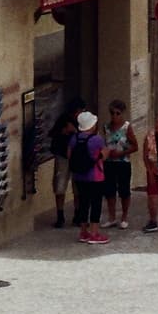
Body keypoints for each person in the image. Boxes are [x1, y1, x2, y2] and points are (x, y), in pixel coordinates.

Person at [69, 111, 109, 244]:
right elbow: (105, 154)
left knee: (83, 203)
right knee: (96, 204)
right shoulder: (97, 139)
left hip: (79, 177)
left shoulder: (74, 138)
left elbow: (69, 154)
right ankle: (94, 233)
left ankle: (83, 232)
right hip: (95, 176)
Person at [100, 100, 139, 228]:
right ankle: (111, 217)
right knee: (109, 191)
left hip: (123, 163)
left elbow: (135, 146)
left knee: (124, 190)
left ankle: (124, 217)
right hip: (109, 163)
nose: (114, 116)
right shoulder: (106, 127)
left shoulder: (127, 127)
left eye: (117, 113)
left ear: (122, 113)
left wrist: (121, 153)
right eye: (112, 113)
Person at [48, 95, 85, 228]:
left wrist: (74, 131)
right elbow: (52, 134)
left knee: (78, 188)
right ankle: (60, 215)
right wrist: (63, 131)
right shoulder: (63, 119)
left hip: (76, 157)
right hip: (62, 157)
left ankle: (78, 215)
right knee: (60, 186)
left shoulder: (83, 122)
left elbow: (87, 136)